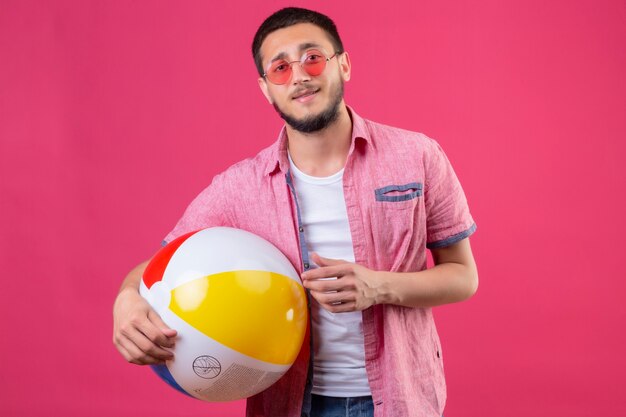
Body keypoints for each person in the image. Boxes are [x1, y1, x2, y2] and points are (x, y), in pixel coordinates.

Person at [113, 7, 478, 417]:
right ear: (267, 89)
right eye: (281, 68)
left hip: (400, 399)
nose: (299, 75)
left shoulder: (416, 156)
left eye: (312, 58)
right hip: (289, 405)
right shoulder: (240, 187)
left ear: (343, 65)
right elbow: (158, 267)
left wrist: (378, 287)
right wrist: (127, 299)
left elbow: (463, 276)